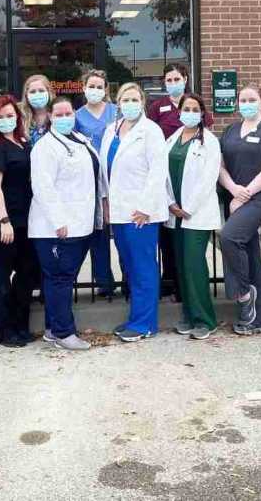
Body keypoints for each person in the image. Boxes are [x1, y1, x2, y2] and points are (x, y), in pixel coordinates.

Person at [30, 96, 103, 351]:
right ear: (50, 116)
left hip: (80, 223)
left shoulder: (79, 139)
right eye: (59, 114)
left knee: (63, 277)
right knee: (59, 278)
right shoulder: (45, 147)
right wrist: (58, 220)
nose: (64, 118)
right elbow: (43, 187)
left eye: (68, 113)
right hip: (55, 227)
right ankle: (64, 333)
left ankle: (53, 328)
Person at [100, 82, 168, 342]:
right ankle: (135, 318)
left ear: (142, 102)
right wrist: (105, 202)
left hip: (142, 213)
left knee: (143, 267)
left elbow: (158, 171)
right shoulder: (111, 130)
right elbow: (105, 171)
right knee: (129, 266)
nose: (129, 104)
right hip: (119, 210)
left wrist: (145, 207)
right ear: (118, 103)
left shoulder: (151, 131)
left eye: (134, 99)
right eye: (125, 100)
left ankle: (144, 324)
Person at [218, 83, 261, 335]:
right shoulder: (230, 131)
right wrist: (234, 189)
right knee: (249, 250)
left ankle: (244, 293)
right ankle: (260, 318)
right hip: (235, 196)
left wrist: (245, 193)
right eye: (243, 100)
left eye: (251, 99)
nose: (246, 104)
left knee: (229, 237)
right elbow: (220, 167)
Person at [146, 64, 213, 301]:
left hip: (192, 183)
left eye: (177, 78)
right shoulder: (157, 107)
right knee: (168, 240)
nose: (173, 83)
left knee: (190, 247)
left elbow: (207, 137)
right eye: (169, 79)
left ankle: (188, 291)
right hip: (167, 178)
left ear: (185, 79)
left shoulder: (196, 106)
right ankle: (171, 281)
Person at [0, 95, 39, 347]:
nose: (6, 120)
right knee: (1, 276)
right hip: (3, 221)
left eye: (10, 115)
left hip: (25, 219)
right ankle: (1, 330)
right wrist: (4, 220)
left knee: (26, 273)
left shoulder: (23, 143)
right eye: (0, 117)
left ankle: (19, 325)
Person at [165, 93, 221, 340]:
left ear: (201, 113)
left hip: (195, 214)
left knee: (194, 265)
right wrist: (170, 203)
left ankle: (205, 320)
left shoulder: (209, 141)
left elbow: (209, 178)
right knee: (181, 266)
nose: (190, 113)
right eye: (186, 109)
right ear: (179, 112)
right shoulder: (172, 139)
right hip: (174, 212)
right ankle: (188, 315)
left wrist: (187, 207)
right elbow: (163, 174)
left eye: (194, 109)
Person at [74, 69, 117, 298]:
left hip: (118, 177)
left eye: (99, 86)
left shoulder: (116, 111)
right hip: (91, 180)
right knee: (98, 232)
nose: (95, 90)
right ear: (84, 88)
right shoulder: (77, 116)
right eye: (91, 86)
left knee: (122, 231)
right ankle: (104, 282)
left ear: (106, 89)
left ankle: (129, 281)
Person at [20, 74, 53, 146]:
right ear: (26, 95)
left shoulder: (56, 115)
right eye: (32, 92)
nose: (37, 94)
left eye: (41, 90)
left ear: (49, 92)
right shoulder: (20, 117)